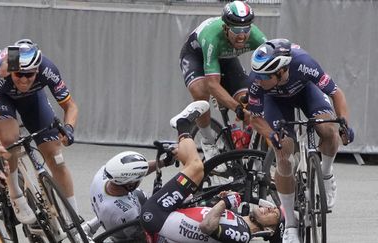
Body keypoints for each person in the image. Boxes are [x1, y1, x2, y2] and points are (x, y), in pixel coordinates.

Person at [247, 38, 354, 242]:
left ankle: (326, 174)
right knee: (284, 156)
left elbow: (336, 93)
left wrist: (344, 125)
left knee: (329, 130)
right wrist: (272, 135)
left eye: (263, 75)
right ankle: (290, 225)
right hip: (275, 102)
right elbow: (255, 118)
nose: (258, 79)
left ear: (280, 71)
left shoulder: (304, 64)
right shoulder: (256, 82)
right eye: (257, 74)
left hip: (305, 91)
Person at [140, 101, 284, 243]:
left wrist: (224, 203)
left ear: (270, 230)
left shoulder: (244, 235)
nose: (270, 209)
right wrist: (227, 203)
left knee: (196, 168)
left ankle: (182, 124)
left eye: (274, 214)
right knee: (193, 177)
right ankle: (179, 149)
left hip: (156, 214)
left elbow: (207, 226)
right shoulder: (241, 224)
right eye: (273, 208)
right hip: (166, 214)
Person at [0, 39, 79, 224]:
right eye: (19, 74)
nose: (24, 80)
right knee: (10, 140)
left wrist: (68, 129)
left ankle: (75, 219)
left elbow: (70, 106)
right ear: (11, 70)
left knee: (56, 158)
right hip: (5, 101)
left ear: (38, 70)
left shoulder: (47, 68)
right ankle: (16, 193)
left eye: (30, 75)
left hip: (34, 101)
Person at [179, 1, 267, 161]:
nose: (242, 35)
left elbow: (271, 63)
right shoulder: (212, 36)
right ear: (225, 27)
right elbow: (212, 84)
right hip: (197, 57)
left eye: (246, 29)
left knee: (248, 100)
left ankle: (245, 145)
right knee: (201, 91)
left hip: (227, 59)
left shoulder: (256, 36)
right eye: (236, 29)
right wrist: (238, 109)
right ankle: (208, 141)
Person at [88, 149, 176, 241]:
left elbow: (135, 170)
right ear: (130, 185)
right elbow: (145, 237)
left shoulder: (102, 175)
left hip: (107, 213)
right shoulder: (128, 212)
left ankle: (90, 226)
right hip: (126, 236)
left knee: (140, 195)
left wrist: (164, 162)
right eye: (139, 179)